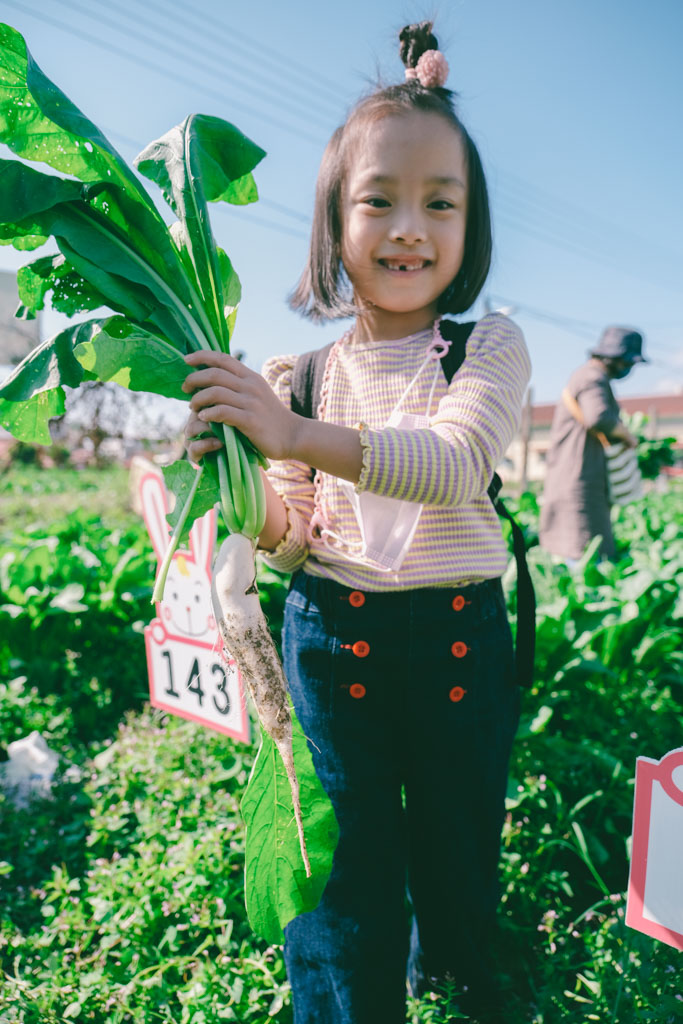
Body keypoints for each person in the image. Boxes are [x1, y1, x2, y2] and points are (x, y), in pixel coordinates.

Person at [182, 21, 531, 1024]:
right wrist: (250, 477)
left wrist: (289, 427)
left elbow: (452, 460)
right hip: (332, 642)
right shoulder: (303, 373)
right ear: (335, 223)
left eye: (438, 202)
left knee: (458, 846)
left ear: (470, 228)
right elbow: (296, 530)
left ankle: (466, 976)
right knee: (341, 866)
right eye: (377, 199)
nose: (406, 227)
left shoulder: (484, 349)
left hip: (459, 638)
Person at [539, 326, 647, 564]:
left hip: (574, 474)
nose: (629, 369)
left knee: (579, 544)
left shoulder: (587, 376)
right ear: (617, 358)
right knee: (584, 549)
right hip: (579, 476)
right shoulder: (592, 377)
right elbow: (598, 418)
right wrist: (627, 435)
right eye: (629, 363)